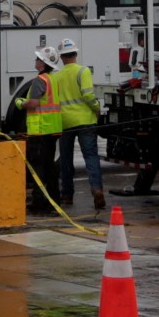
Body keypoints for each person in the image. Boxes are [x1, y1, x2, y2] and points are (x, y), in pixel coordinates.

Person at [52, 39, 106, 211]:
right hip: (85, 121)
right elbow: (88, 96)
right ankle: (96, 189)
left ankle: (67, 195)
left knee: (66, 160)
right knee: (90, 157)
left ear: (61, 57)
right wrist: (97, 109)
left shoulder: (57, 76)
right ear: (75, 54)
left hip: (65, 122)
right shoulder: (83, 71)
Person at [18, 51, 62, 213]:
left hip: (40, 131)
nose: (35, 60)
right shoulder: (52, 79)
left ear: (42, 63)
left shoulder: (39, 81)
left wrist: (20, 103)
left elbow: (33, 104)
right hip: (52, 130)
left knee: (38, 168)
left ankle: (39, 202)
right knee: (49, 167)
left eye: (37, 58)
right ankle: (54, 200)